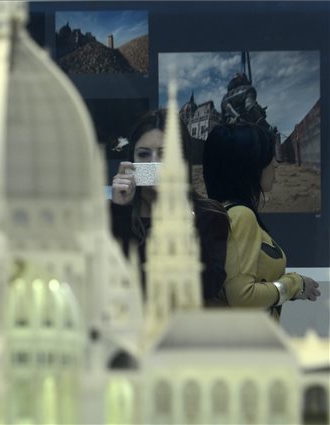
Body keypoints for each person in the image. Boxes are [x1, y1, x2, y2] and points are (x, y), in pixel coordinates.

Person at [110, 109, 230, 304]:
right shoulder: (115, 212)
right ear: (132, 160)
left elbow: (208, 287)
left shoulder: (209, 215)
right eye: (143, 154)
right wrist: (120, 212)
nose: (154, 162)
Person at [202, 123, 320, 318]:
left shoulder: (222, 212)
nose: (275, 164)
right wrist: (294, 284)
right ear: (249, 164)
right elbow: (242, 296)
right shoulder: (240, 215)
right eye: (268, 156)